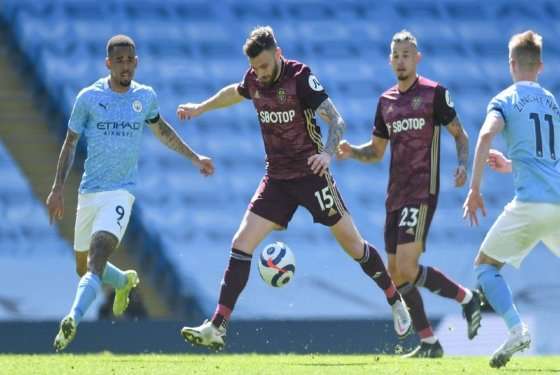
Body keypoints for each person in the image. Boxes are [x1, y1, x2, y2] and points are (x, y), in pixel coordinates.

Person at [176, 26, 411, 351]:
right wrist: (200, 108)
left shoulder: (300, 77)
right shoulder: (254, 80)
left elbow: (337, 121)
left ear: (278, 54)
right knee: (241, 243)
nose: (260, 73)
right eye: (255, 68)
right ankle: (217, 326)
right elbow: (235, 91)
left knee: (353, 245)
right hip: (276, 179)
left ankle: (394, 298)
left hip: (311, 175)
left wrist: (327, 154)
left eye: (264, 66)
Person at [46, 34, 214, 352]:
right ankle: (124, 282)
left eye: (130, 60)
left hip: (120, 193)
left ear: (136, 62)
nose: (125, 66)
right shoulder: (89, 98)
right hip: (89, 193)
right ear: (108, 64)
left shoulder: (144, 97)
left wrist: (196, 158)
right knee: (82, 267)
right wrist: (57, 188)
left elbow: (162, 130)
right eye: (119, 61)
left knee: (95, 260)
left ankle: (71, 319)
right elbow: (69, 143)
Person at [337, 30, 481, 358]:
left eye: (407, 54)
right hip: (394, 195)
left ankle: (467, 299)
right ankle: (430, 342)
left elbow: (461, 135)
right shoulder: (385, 102)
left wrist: (462, 165)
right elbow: (375, 152)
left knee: (406, 265)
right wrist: (352, 152)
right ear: (390, 61)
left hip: (421, 191)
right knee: (397, 273)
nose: (401, 60)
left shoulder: (435, 94)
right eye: (396, 55)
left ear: (417, 58)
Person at [463, 30, 559, 368]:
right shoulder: (551, 101)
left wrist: (475, 189)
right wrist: (511, 164)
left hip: (530, 204)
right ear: (541, 66)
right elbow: (548, 154)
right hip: (558, 203)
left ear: (511, 64)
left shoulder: (505, 99)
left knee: (485, 268)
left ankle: (516, 330)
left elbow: (487, 133)